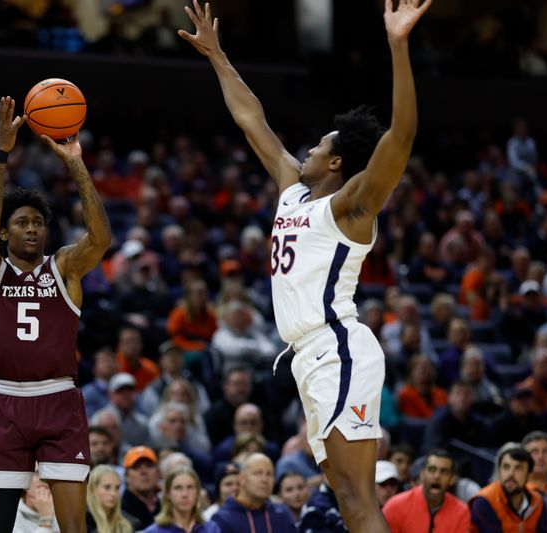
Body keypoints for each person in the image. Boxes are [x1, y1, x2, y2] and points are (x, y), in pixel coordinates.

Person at [179, 0, 431, 530]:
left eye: (319, 146)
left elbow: (400, 139)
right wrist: (218, 57)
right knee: (343, 494)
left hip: (337, 346)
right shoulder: (293, 191)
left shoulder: (351, 207)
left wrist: (399, 47)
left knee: (359, 498)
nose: (308, 150)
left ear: (337, 162)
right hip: (305, 354)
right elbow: (252, 118)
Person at [0, 96, 111, 533]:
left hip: (60, 401)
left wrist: (76, 164)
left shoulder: (64, 266)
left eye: (38, 222)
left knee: (73, 528)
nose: (32, 228)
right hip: (8, 402)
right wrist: (1, 153)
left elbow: (101, 238)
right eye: (23, 222)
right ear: (5, 230)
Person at [382, 449, 470, 533]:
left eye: (444, 472)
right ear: (422, 474)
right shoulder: (396, 506)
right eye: (432, 469)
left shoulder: (461, 512)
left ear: (452, 479)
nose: (437, 476)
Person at [469, 446, 547, 532]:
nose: (510, 474)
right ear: (499, 471)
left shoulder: (537, 501)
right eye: (506, 467)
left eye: (518, 468)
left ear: (529, 474)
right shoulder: (484, 501)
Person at [210, 453, 296, 533]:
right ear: (241, 479)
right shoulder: (223, 520)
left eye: (269, 474)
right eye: (258, 473)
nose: (264, 480)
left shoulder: (283, 515)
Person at [145, 466, 220, 533]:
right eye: (178, 488)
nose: (185, 494)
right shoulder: (154, 531)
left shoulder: (212, 529)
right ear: (168, 493)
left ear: (197, 492)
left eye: (190, 487)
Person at [86, 464, 138, 533]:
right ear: (93, 489)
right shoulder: (83, 523)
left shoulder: (130, 524)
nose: (113, 494)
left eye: (117, 488)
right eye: (107, 487)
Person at [121, 446, 161, 528]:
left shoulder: (168, 506)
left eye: (149, 466)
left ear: (158, 473)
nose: (144, 471)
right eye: (136, 467)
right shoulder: (119, 510)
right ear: (126, 476)